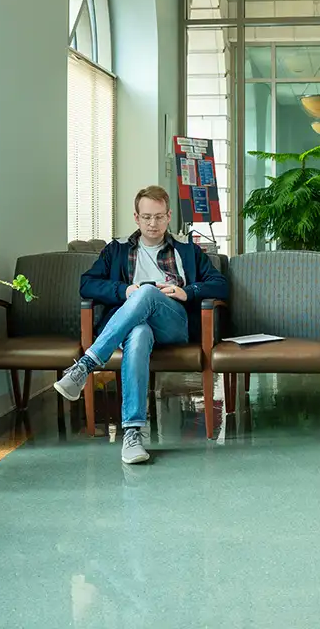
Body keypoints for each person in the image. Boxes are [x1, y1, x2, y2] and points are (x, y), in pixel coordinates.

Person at [54, 185, 228, 464]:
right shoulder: (117, 250)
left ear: (169, 216)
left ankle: (85, 365)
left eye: (159, 217)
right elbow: (87, 283)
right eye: (146, 217)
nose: (153, 223)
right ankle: (132, 434)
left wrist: (187, 292)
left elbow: (220, 285)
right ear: (136, 217)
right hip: (133, 325)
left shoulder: (187, 251)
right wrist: (124, 292)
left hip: (173, 323)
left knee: (148, 292)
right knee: (138, 331)